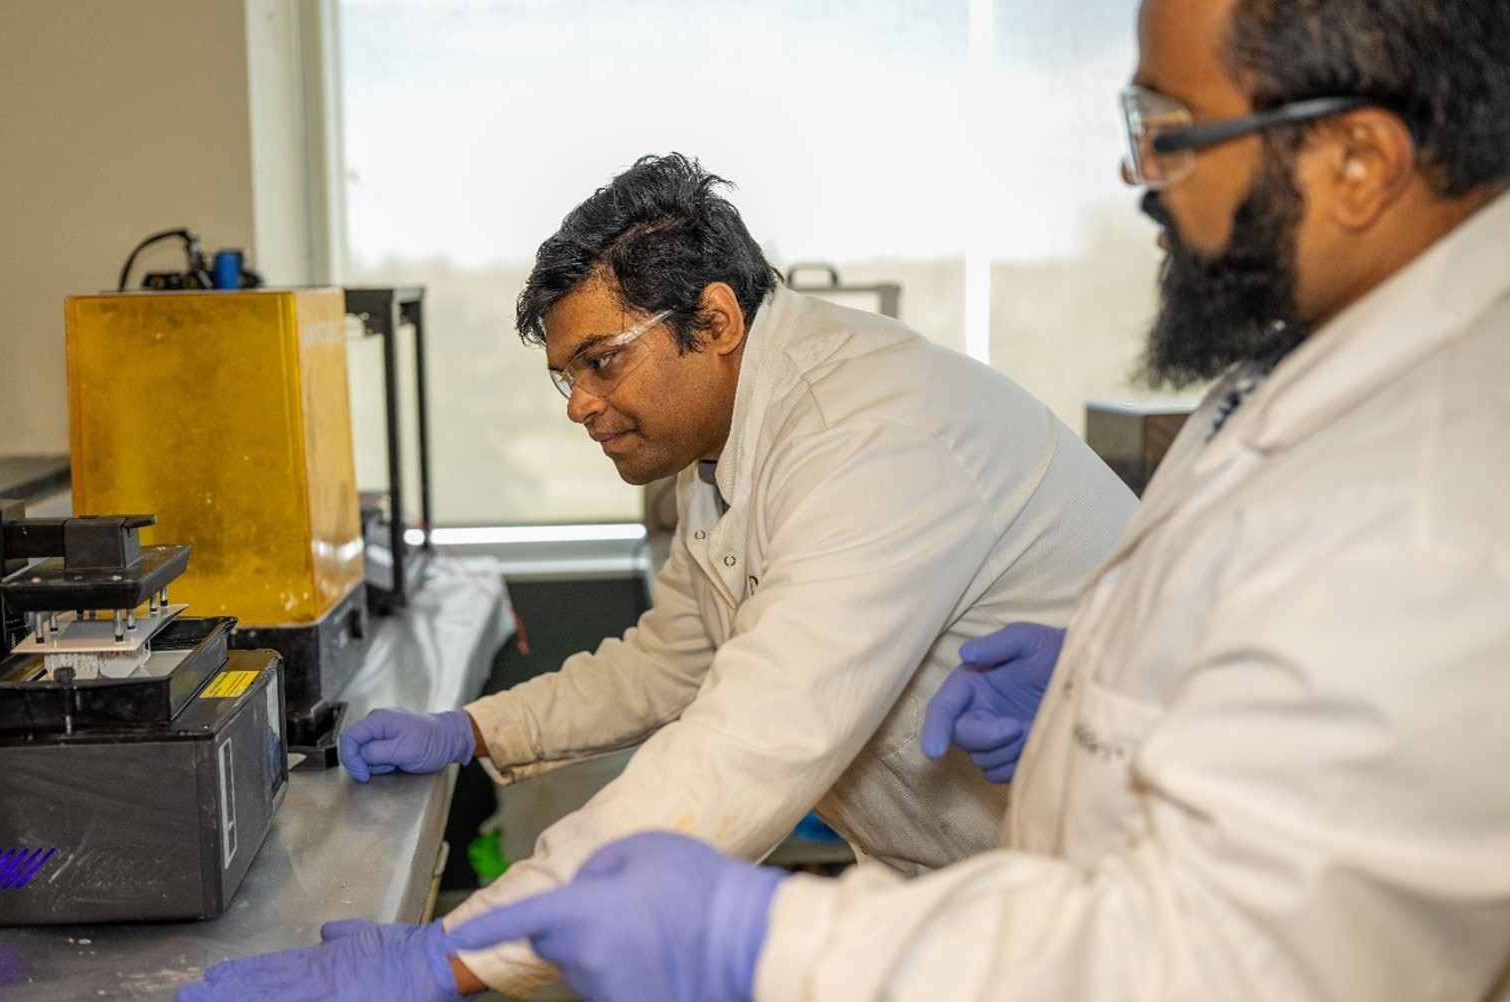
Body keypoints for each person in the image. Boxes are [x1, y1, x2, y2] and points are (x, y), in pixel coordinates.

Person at [436, 0, 1510, 999]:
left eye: (1168, 127)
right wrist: (1108, 696)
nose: (1137, 174)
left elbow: (1220, 955)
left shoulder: (1434, 483)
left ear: (1360, 159)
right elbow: (681, 650)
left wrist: (474, 953)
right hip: (996, 912)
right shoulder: (1304, 376)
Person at [178, 155, 1136, 1001]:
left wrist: (452, 954)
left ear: (714, 318)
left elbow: (743, 748)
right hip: (965, 899)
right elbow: (674, 659)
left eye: (601, 362)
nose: (580, 407)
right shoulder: (721, 446)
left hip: (1114, 913)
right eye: (567, 376)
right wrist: (475, 730)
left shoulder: (871, 438)